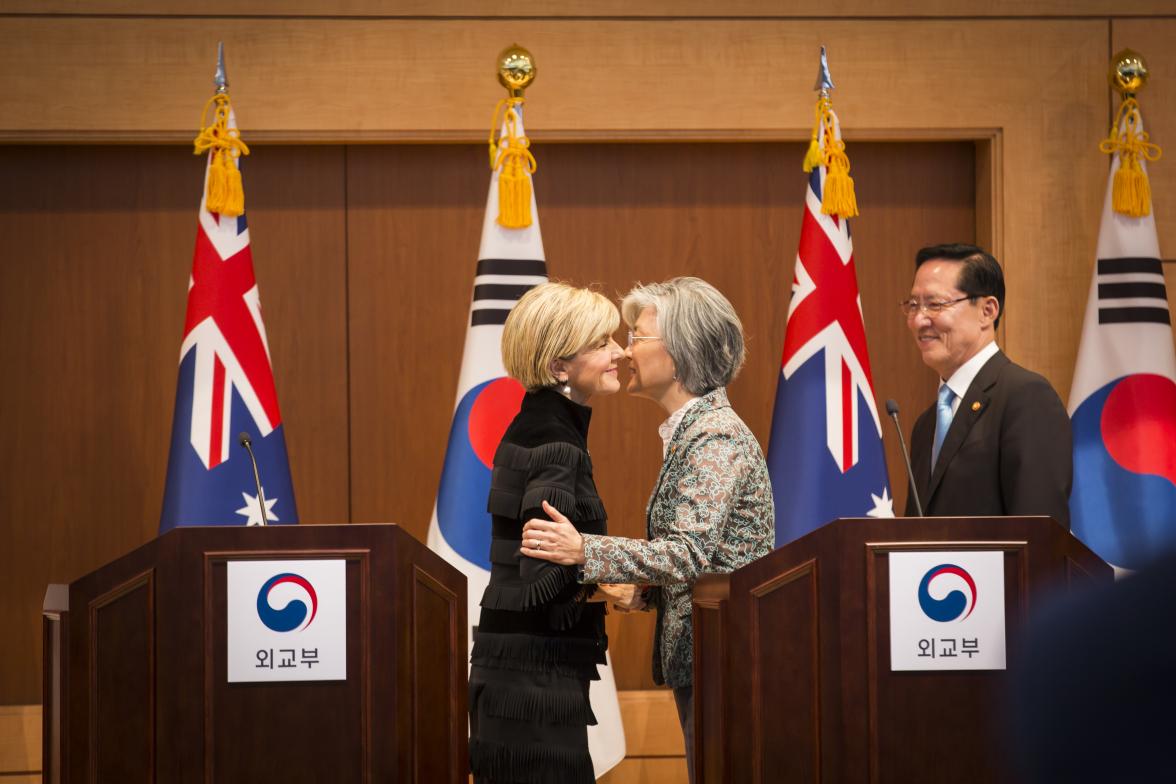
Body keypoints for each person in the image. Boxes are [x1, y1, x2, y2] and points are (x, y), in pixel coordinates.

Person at [521, 277, 775, 784]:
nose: (624, 351)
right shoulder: (694, 432)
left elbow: (688, 553)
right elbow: (717, 560)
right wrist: (646, 596)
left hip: (726, 662)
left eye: (636, 336)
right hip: (711, 659)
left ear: (681, 351)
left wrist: (582, 550)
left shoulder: (715, 436)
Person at [468, 282, 633, 784]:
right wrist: (612, 580)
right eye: (602, 343)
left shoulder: (535, 426)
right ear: (560, 367)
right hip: (533, 680)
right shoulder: (557, 443)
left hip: (519, 671)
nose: (620, 352)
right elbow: (542, 572)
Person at [901, 243, 1072, 524]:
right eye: (913, 305)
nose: (919, 320)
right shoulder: (926, 424)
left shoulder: (1026, 398)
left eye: (935, 304)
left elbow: (1041, 537)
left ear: (987, 310)